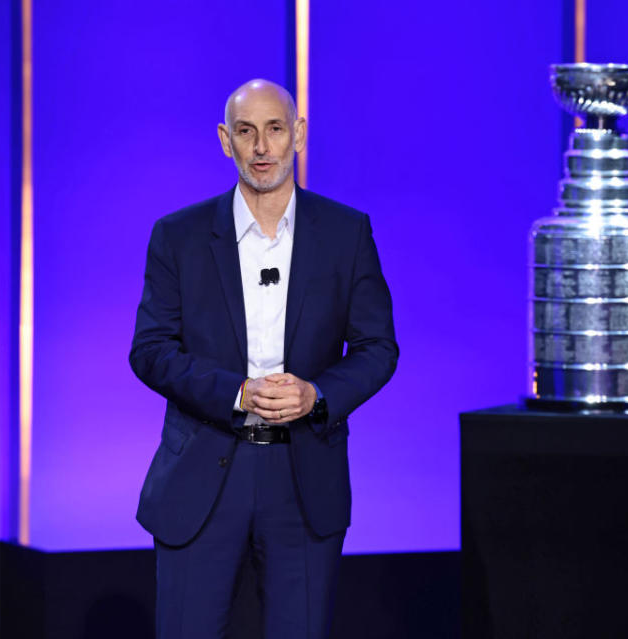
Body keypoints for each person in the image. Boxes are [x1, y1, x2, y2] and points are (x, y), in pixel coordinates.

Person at [129, 78, 398, 638]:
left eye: (275, 129)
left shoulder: (347, 233)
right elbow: (150, 351)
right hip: (204, 471)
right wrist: (238, 392)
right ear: (225, 141)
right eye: (246, 132)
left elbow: (378, 348)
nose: (261, 147)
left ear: (297, 135)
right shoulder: (177, 236)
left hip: (303, 475)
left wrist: (316, 395)